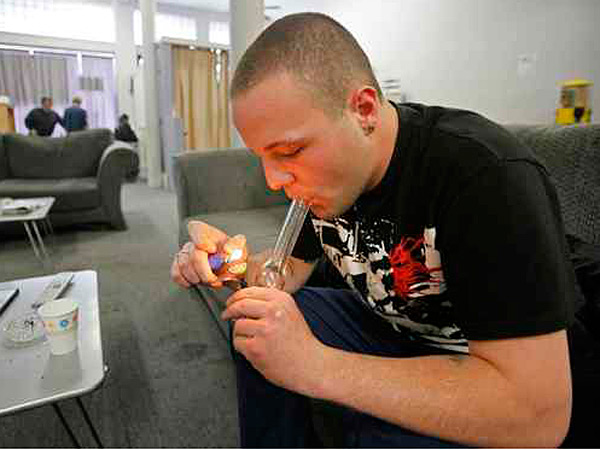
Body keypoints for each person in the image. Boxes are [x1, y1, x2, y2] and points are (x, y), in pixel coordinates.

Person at [171, 13, 597, 447]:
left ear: (364, 110)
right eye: (262, 156)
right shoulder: (324, 186)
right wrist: (227, 262)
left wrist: (315, 365)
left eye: (291, 150)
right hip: (401, 331)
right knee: (255, 323)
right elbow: (283, 272)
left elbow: (535, 416)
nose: (273, 180)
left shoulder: (485, 175)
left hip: (498, 368)